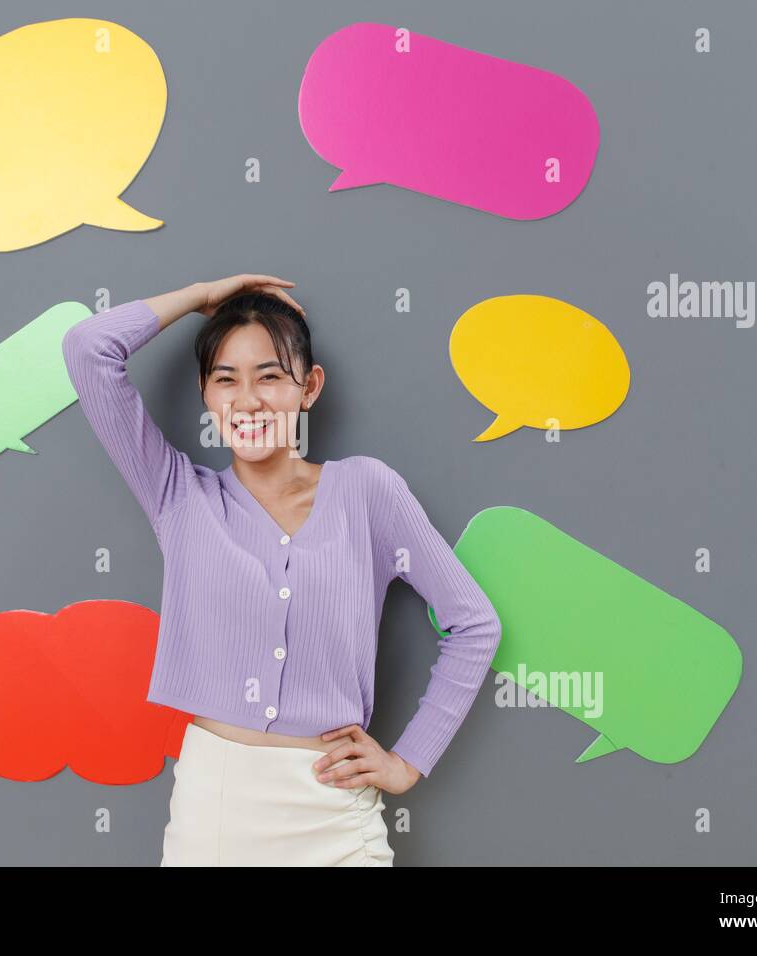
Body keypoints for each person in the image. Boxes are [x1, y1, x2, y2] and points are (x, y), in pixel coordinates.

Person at [61, 275, 502, 866]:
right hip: (214, 812)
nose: (247, 401)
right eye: (226, 380)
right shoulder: (178, 497)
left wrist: (408, 761)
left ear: (309, 386)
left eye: (269, 376)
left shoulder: (368, 490)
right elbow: (87, 349)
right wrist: (201, 296)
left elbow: (474, 625)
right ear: (206, 394)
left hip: (333, 807)